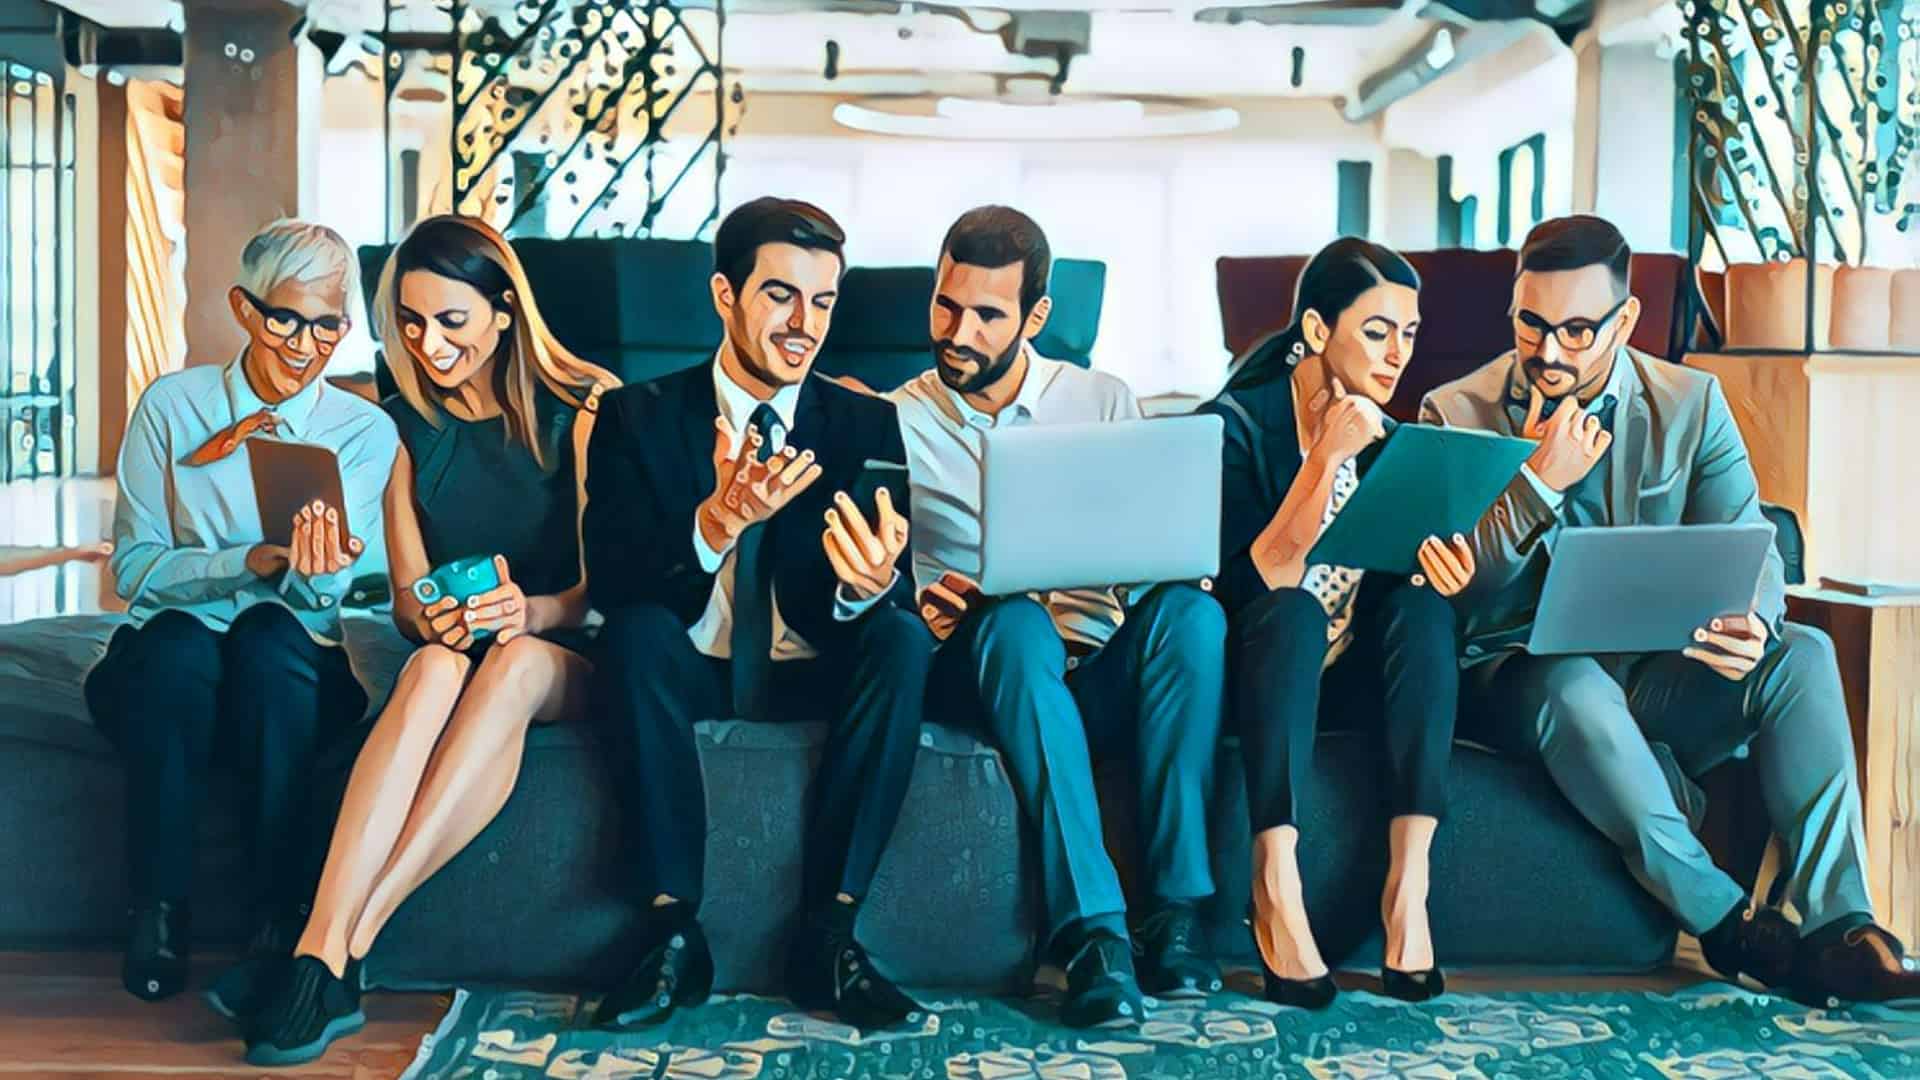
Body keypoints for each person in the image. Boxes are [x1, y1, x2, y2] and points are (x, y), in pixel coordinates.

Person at [1422, 214, 1920, 1004]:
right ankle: (1729, 926)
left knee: (1804, 656)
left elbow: (1750, 541)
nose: (1549, 351)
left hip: (1659, 678)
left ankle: (1841, 926)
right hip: (1523, 685)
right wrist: (1539, 481)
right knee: (1574, 682)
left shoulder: (1692, 403)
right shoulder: (1454, 412)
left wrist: (1752, 625)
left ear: (1625, 321)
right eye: (1531, 323)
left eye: (1578, 329)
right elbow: (1463, 591)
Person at [233, 216, 617, 1065]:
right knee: (434, 663)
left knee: (510, 661)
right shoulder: (397, 423)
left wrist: (531, 612)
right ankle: (325, 947)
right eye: (410, 322)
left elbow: (605, 587)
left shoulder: (587, 407)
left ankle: (344, 939)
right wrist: (432, 617)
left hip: (566, 647)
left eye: (452, 321)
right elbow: (408, 598)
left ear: (504, 312)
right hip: (463, 647)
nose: (429, 343)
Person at [584, 197, 930, 1031]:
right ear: (724, 296)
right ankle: (672, 932)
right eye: (780, 295)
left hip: (812, 661)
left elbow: (888, 583)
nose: (803, 323)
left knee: (900, 636)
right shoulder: (638, 415)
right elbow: (615, 582)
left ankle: (831, 933)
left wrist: (869, 583)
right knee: (633, 634)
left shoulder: (866, 422)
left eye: (822, 300)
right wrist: (716, 522)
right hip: (691, 662)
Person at [884, 206, 1224, 1027]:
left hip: (1095, 666)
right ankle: (1096, 935)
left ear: (1035, 317)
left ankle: (1173, 911)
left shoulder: (1101, 399)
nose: (959, 332)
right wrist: (914, 601)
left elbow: (1152, 555)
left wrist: (1170, 569)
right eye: (946, 305)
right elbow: (877, 579)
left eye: (988, 315)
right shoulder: (897, 416)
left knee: (1192, 617)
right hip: (983, 661)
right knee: (1016, 623)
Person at [85, 219, 397, 1003]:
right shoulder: (171, 406)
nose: (305, 343)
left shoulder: (364, 431)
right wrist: (246, 561)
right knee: (179, 644)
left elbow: (325, 601)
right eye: (286, 318)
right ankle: (158, 908)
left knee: (267, 634)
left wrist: (313, 578)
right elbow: (133, 570)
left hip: (286, 669)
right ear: (246, 309)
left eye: (328, 325)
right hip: (167, 664)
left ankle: (278, 914)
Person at [1201, 238, 1475, 1009]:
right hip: (1254, 673)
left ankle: (1407, 891)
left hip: (1346, 674)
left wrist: (1439, 572)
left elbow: (1393, 582)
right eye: (1377, 330)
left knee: (1424, 607)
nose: (1397, 355)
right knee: (1291, 612)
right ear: (1317, 332)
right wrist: (1324, 460)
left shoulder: (1392, 440)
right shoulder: (1234, 428)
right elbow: (1250, 583)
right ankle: (1274, 885)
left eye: (1409, 333)